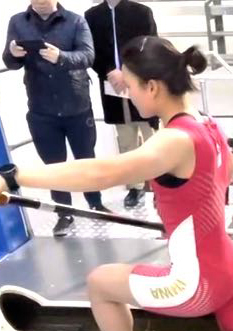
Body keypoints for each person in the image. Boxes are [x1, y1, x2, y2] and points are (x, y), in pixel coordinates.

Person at [0, 36, 233, 331]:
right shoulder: (208, 125)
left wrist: (11, 178)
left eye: (130, 86)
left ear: (152, 87)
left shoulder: (175, 140)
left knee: (100, 284)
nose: (128, 94)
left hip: (198, 284)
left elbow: (101, 173)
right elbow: (222, 177)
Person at [3, 0, 109, 237]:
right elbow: (9, 62)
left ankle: (95, 203)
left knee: (85, 158)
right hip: (41, 108)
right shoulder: (17, 22)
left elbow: (88, 56)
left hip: (76, 105)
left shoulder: (75, 21)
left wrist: (61, 57)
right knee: (54, 166)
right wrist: (13, 54)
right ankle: (64, 214)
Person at [85, 0, 160, 209]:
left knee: (153, 138)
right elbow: (91, 52)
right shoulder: (92, 16)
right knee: (126, 141)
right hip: (112, 84)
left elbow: (151, 45)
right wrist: (110, 71)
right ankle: (135, 187)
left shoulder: (141, 12)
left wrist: (128, 71)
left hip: (141, 80)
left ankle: (160, 186)